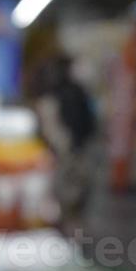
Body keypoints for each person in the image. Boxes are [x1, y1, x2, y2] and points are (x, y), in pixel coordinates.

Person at [34, 55, 98, 222]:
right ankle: (68, 226)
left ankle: (65, 225)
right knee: (70, 189)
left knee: (67, 189)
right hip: (70, 148)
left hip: (67, 148)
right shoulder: (75, 91)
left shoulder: (54, 93)